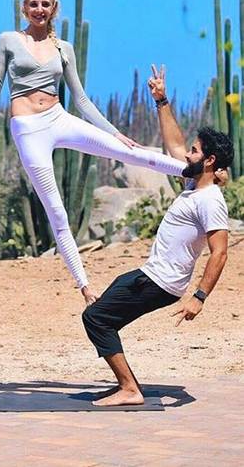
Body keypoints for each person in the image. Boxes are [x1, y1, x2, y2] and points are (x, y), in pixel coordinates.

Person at [0, 0, 187, 305]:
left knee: (130, 151)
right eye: (34, 4)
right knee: (57, 212)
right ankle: (86, 287)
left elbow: (81, 100)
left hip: (58, 118)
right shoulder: (8, 40)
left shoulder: (64, 48)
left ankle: (192, 171)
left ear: (53, 9)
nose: (39, 9)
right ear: (24, 8)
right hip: (28, 129)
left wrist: (114, 132)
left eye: (45, 4)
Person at [82, 64, 232, 406]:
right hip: (153, 275)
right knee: (104, 311)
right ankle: (126, 384)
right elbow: (175, 144)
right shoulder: (195, 183)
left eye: (195, 151)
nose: (187, 154)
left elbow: (220, 252)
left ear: (209, 160)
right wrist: (161, 101)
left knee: (96, 318)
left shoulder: (210, 200)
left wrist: (199, 297)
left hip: (162, 282)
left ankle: (129, 389)